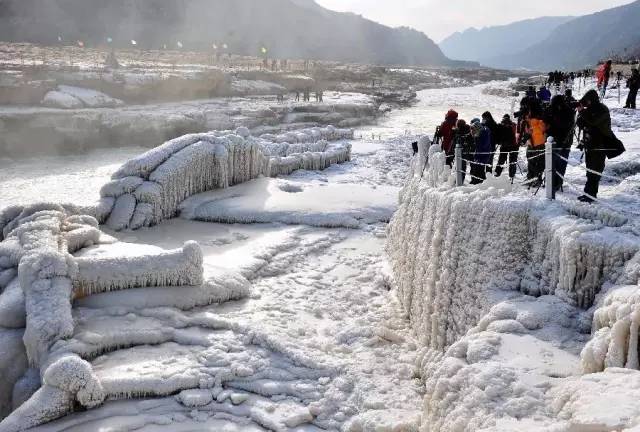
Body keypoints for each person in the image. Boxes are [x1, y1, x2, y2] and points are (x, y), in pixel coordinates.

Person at [576, 90, 624, 202]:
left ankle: (591, 195)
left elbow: (593, 121)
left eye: (587, 101)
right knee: (589, 171)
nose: (586, 103)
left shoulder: (602, 109)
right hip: (590, 144)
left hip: (600, 145)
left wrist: (582, 111)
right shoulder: (590, 110)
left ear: (591, 100)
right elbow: (583, 125)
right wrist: (580, 114)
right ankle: (587, 193)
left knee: (595, 171)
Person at [545, 95, 576, 192]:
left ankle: (556, 184)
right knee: (554, 164)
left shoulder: (566, 113)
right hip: (556, 143)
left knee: (559, 165)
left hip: (562, 143)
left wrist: (551, 114)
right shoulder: (564, 111)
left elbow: (561, 125)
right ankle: (552, 183)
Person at [524, 105, 547, 187]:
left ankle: (533, 179)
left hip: (534, 145)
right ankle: (534, 179)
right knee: (536, 163)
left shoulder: (533, 122)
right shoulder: (540, 122)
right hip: (536, 145)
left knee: (533, 163)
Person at [494, 114, 519, 180]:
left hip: (504, 146)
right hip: (513, 146)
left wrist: (499, 142)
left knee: (501, 161)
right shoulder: (513, 125)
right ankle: (512, 176)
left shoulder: (501, 125)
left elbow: (498, 136)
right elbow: (517, 134)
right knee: (512, 162)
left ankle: (497, 174)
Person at [469, 118, 492, 184]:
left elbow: (483, 146)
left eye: (473, 130)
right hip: (479, 154)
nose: (472, 132)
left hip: (483, 154)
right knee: (477, 168)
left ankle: (479, 182)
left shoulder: (483, 135)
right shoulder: (480, 134)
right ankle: (476, 181)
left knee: (480, 169)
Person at [452, 119, 474, 184]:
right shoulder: (469, 129)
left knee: (461, 167)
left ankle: (460, 181)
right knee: (472, 166)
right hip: (470, 151)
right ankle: (474, 179)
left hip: (461, 151)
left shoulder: (458, 131)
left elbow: (455, 142)